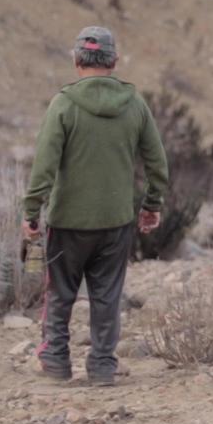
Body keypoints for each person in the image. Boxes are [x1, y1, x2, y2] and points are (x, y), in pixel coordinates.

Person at [22, 26, 169, 386]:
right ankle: (103, 366)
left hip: (68, 221)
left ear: (76, 62)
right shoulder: (134, 104)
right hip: (116, 223)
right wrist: (151, 205)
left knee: (59, 293)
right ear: (115, 61)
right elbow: (157, 163)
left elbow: (44, 167)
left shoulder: (64, 104)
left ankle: (56, 361)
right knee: (107, 297)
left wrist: (31, 213)